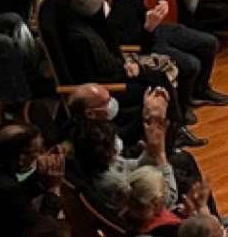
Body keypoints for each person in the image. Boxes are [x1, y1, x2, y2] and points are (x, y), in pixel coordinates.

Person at [76, 0, 228, 109]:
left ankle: (201, 89)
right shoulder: (99, 17)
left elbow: (143, 12)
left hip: (153, 31)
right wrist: (148, 28)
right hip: (142, 44)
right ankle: (184, 103)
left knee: (210, 42)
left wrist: (158, 10)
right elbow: (132, 47)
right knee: (191, 64)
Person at [67, 89, 176, 218]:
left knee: (183, 161)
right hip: (146, 218)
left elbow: (135, 165)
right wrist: (161, 155)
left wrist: (151, 146)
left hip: (143, 188)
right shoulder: (117, 184)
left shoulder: (101, 158)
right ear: (109, 151)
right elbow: (167, 201)